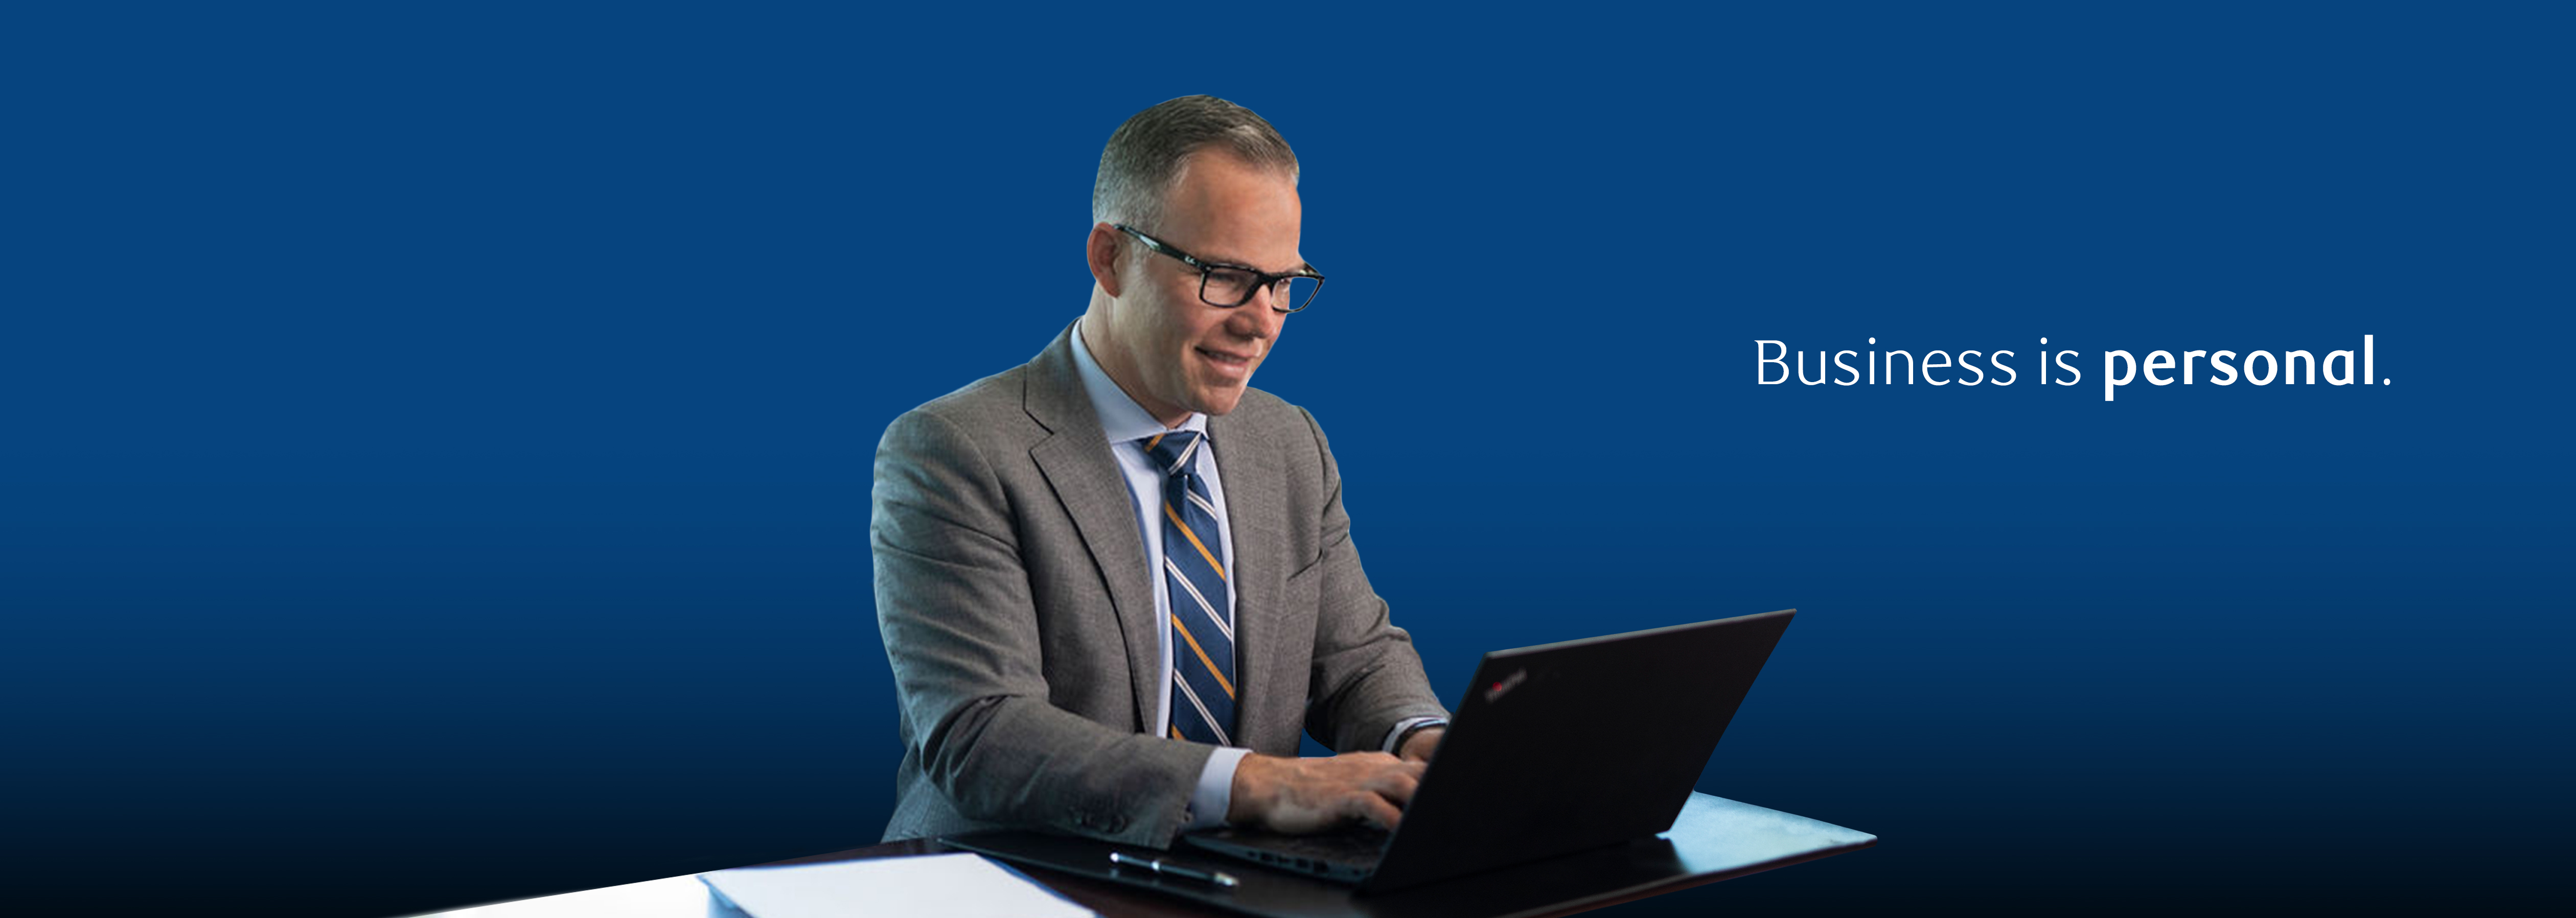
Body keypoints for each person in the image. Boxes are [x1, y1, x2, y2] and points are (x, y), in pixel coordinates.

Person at [872, 96, 1450, 850]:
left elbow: (1357, 660)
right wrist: (1258, 784)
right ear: (1110, 258)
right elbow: (983, 733)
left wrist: (1426, 741)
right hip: (1008, 876)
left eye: (1283, 282)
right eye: (1225, 275)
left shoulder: (1290, 443)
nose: (1261, 321)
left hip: (1236, 882)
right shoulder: (956, 450)